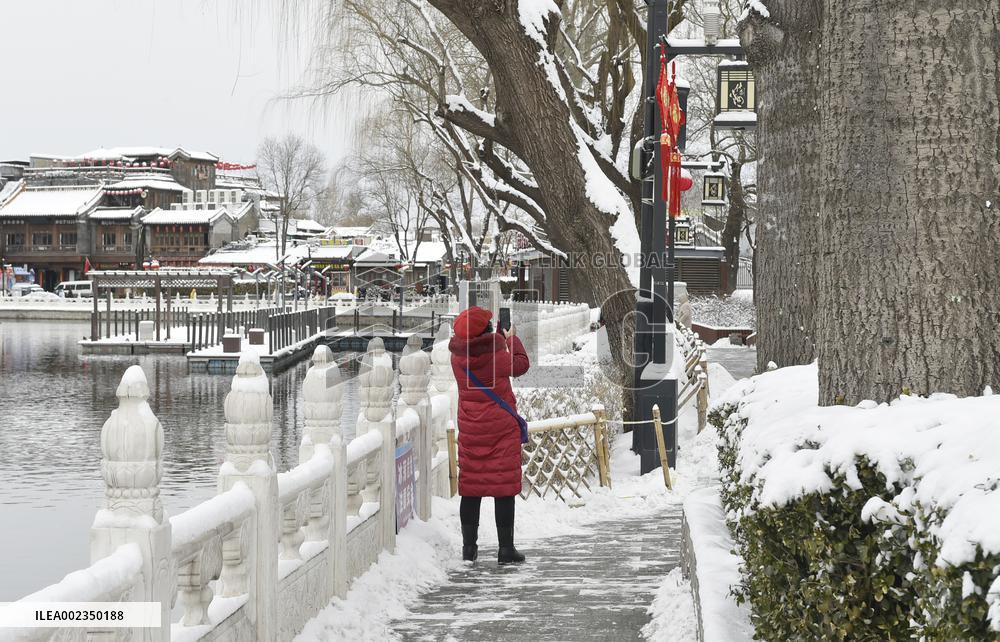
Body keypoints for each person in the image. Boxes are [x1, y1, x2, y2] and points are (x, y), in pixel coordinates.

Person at [449, 306, 530, 564]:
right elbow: (520, 365)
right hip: (501, 430)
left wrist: (495, 336)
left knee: (471, 489)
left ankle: (468, 550)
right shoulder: (498, 354)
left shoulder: (457, 358)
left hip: (472, 430)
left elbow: (481, 350)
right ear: (485, 330)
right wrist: (510, 338)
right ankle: (505, 549)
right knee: (503, 489)